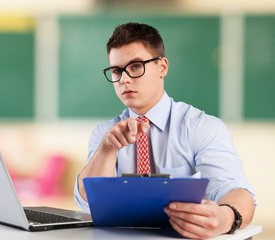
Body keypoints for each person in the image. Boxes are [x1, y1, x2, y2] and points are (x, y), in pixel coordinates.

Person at [74, 22, 256, 239]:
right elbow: (88, 202)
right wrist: (107, 148)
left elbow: (237, 191)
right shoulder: (105, 133)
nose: (124, 79)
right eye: (116, 70)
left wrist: (225, 218)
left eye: (135, 66)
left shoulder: (201, 127)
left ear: (162, 67)